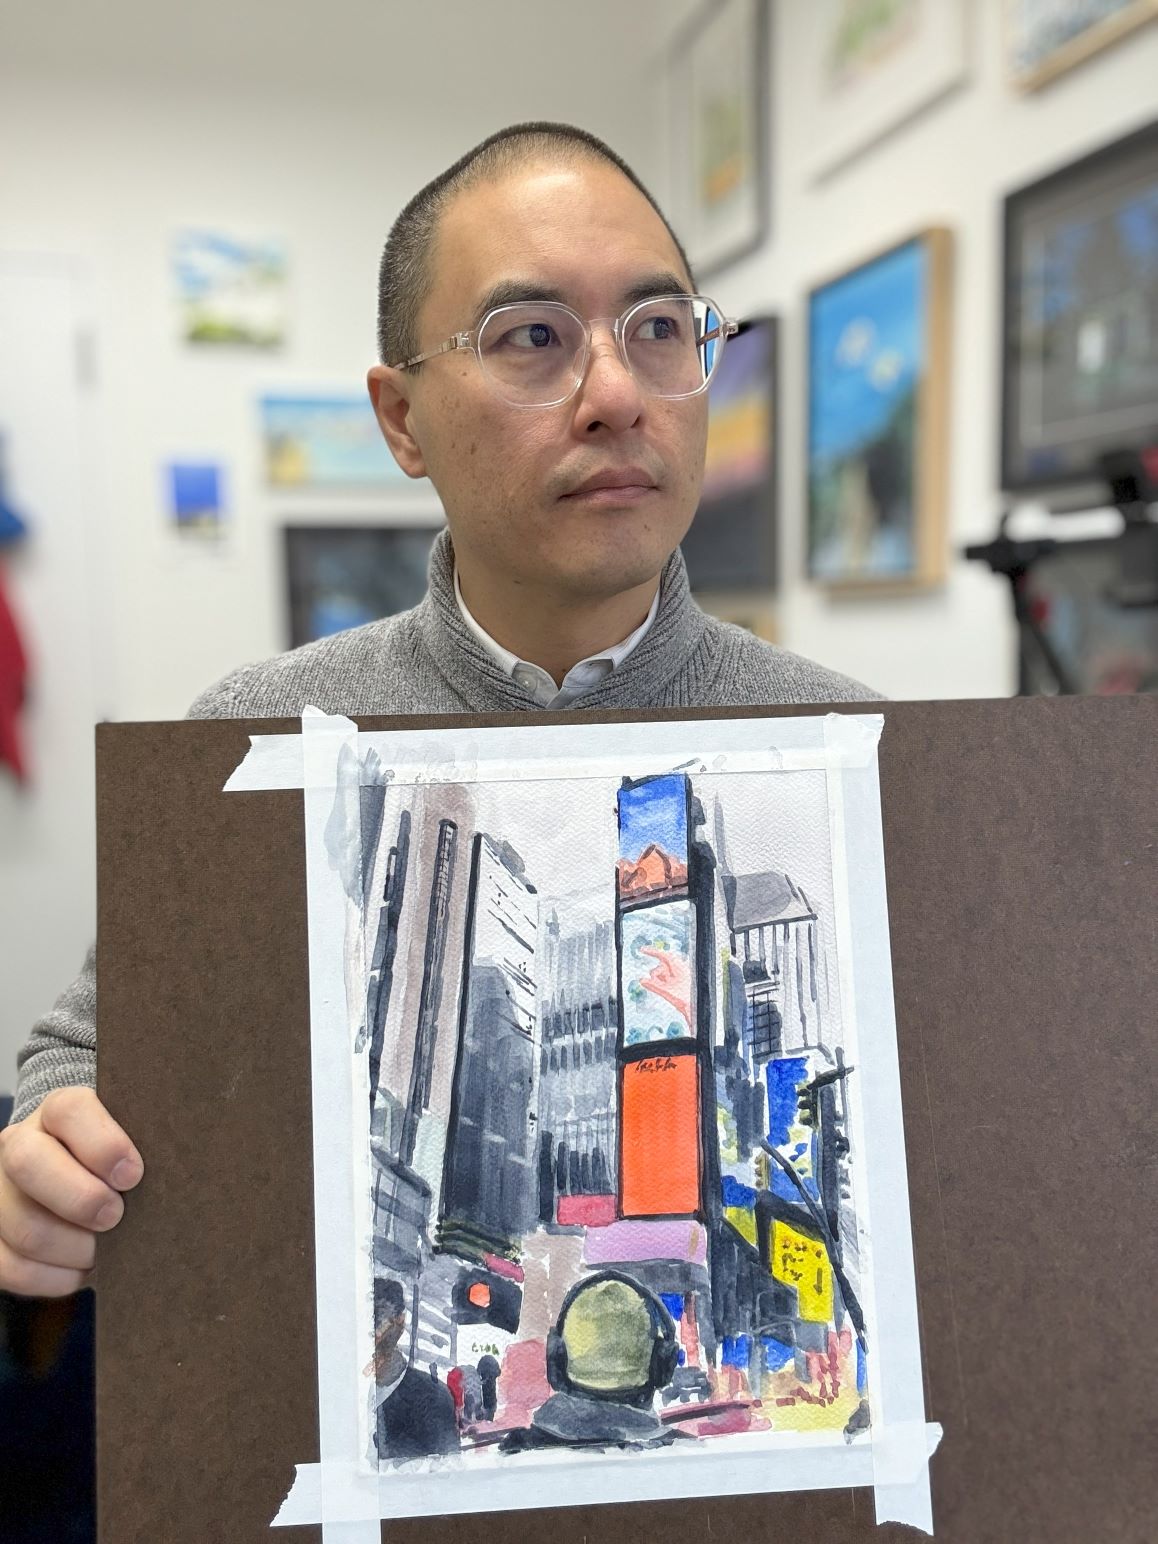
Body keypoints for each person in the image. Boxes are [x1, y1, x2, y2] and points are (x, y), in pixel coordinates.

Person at [0, 119, 879, 1299]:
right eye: (532, 337)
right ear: (401, 419)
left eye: (661, 329)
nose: (617, 392)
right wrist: (44, 1155)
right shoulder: (258, 738)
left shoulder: (851, 750)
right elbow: (78, 1053)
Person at [369, 1279, 458, 1461]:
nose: (369, 1332)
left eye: (378, 1319)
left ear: (400, 1322)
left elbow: (447, 1475)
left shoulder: (433, 1399)